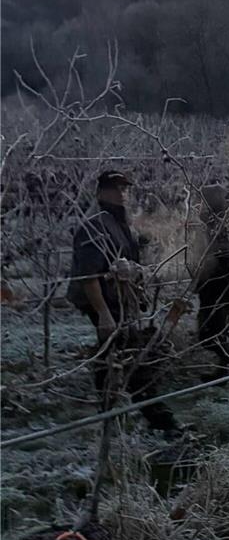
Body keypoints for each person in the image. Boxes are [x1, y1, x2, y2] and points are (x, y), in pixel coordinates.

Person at [66, 170, 179, 432]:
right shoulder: (94, 226)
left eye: (124, 188)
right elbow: (89, 276)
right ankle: (160, 420)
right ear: (100, 193)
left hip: (120, 301)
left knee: (113, 352)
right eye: (115, 188)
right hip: (103, 302)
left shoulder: (121, 225)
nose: (122, 193)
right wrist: (103, 313)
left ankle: (108, 409)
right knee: (130, 357)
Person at [195, 184, 229, 374]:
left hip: (218, 290)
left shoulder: (217, 229)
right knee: (218, 330)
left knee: (210, 331)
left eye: (201, 202)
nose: (198, 206)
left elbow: (213, 261)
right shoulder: (222, 225)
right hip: (220, 289)